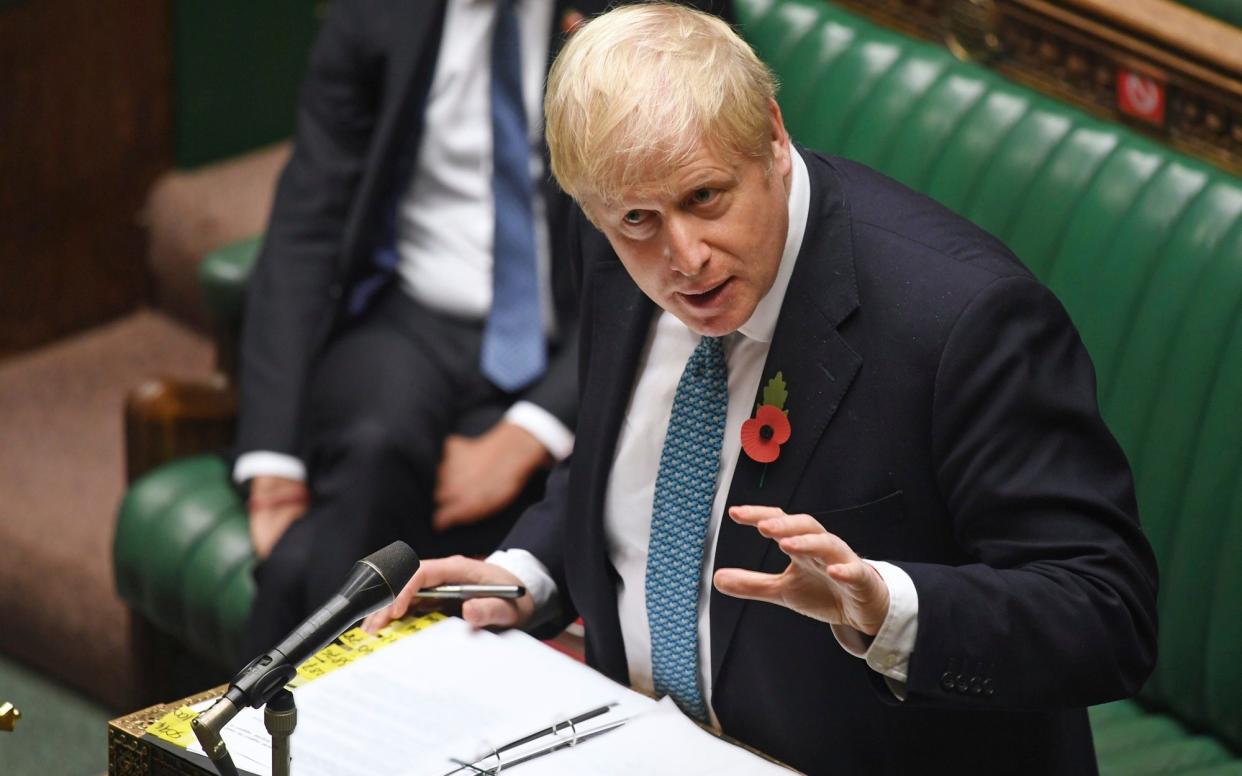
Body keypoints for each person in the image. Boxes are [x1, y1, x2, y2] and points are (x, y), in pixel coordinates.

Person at [365, 4, 1159, 773]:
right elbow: (631, 453)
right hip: (632, 736)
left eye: (705, 198)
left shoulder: (964, 322)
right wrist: (526, 570)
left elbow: (1106, 613)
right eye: (638, 221)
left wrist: (887, 608)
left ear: (773, 138)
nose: (684, 257)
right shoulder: (612, 238)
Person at [235, 0, 734, 658]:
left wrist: (532, 430)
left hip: (574, 335)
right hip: (409, 315)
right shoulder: (375, 14)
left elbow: (666, 244)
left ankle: (243, 734)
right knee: (376, 441)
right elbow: (309, 219)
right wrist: (273, 457)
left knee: (323, 544)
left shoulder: (645, 13)